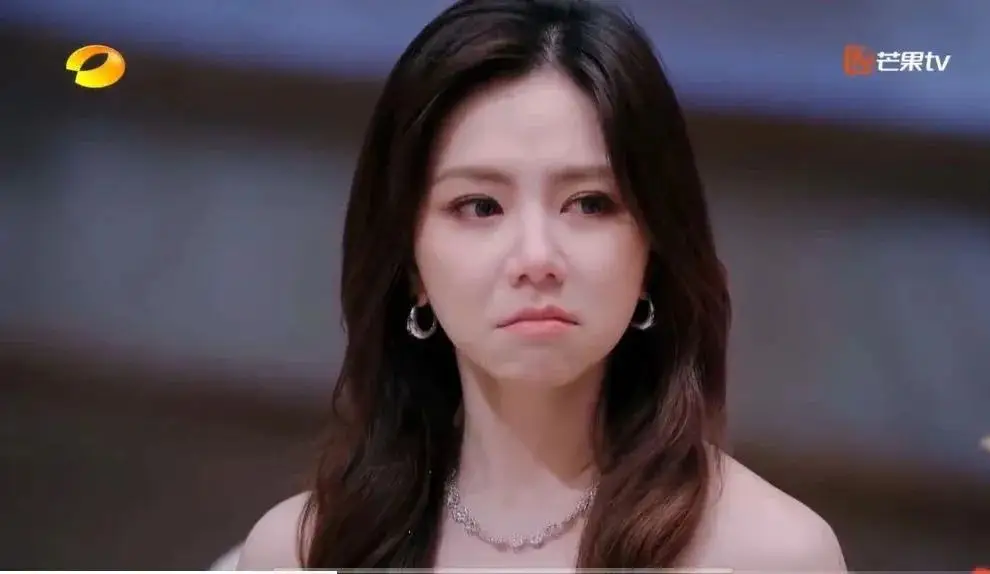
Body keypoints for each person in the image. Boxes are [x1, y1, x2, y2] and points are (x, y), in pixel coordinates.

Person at [237, 0, 847, 570]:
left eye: (589, 203)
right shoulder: (301, 550)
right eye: (480, 206)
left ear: (655, 250)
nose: (536, 258)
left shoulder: (770, 553)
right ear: (411, 264)